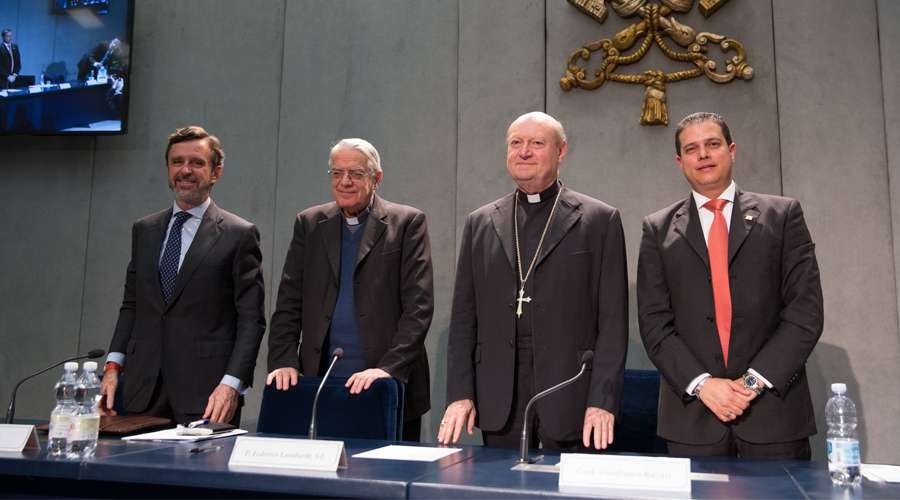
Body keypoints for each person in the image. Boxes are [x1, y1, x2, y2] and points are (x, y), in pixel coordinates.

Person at [637, 112, 823, 459]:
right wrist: (703, 385)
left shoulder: (783, 217)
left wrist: (751, 384)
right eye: (692, 149)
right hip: (693, 420)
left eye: (713, 144)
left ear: (732, 150)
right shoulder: (657, 229)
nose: (703, 155)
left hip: (774, 416)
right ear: (680, 161)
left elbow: (805, 312)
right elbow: (654, 324)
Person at [439, 112, 628, 450]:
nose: (524, 151)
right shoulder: (480, 223)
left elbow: (613, 323)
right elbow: (463, 320)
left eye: (537, 143)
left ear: (561, 151)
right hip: (499, 396)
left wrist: (603, 399)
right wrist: (460, 394)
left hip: (571, 393)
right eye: (516, 143)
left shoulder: (599, 220)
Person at [266, 138, 434, 441]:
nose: (345, 181)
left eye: (356, 173)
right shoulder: (309, 223)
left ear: (376, 178)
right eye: (337, 173)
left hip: (386, 385)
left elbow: (418, 309)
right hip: (321, 383)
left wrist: (388, 369)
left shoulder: (407, 222)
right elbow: (288, 302)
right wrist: (283, 361)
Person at [100, 126, 266, 426]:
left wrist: (231, 385)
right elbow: (132, 305)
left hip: (207, 396)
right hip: (141, 392)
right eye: (177, 162)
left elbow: (251, 320)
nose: (185, 170)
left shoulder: (239, 234)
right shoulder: (145, 230)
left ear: (216, 172)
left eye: (196, 163)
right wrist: (113, 366)